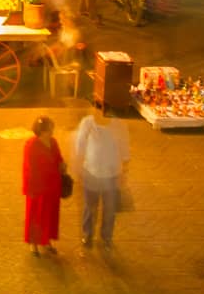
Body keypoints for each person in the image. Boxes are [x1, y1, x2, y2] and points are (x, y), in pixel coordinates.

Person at [71, 98, 129, 249]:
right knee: (89, 208)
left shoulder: (118, 125)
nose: (96, 113)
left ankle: (106, 237)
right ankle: (87, 235)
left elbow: (124, 149)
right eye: (96, 109)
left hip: (112, 175)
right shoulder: (87, 123)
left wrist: (124, 172)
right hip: (91, 173)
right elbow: (80, 145)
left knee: (109, 209)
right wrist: (78, 167)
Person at [22, 115, 65, 257]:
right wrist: (31, 188)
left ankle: (46, 242)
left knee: (49, 215)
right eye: (49, 130)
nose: (52, 132)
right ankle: (34, 245)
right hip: (37, 187)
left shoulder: (53, 142)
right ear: (41, 131)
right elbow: (30, 168)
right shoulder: (31, 145)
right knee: (35, 215)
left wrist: (62, 165)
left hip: (52, 186)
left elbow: (59, 158)